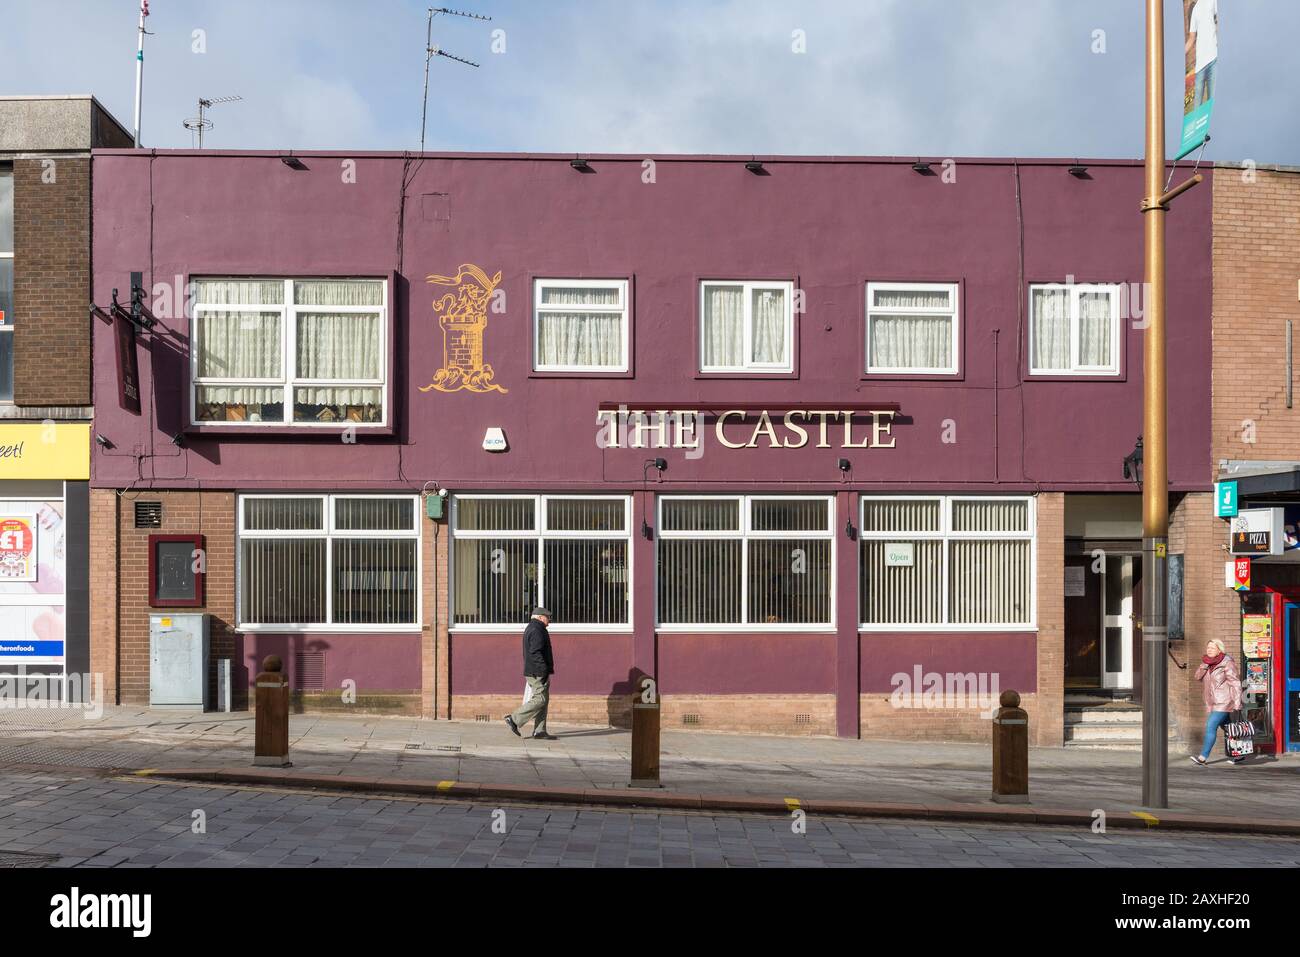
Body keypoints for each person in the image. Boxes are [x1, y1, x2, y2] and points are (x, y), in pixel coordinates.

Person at [504, 607, 557, 740]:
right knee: (540, 699)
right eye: (547, 617)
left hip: (537, 670)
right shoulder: (536, 630)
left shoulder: (535, 628)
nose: (549, 621)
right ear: (539, 617)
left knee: (543, 700)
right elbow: (535, 652)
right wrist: (543, 670)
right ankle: (514, 719)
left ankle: (540, 730)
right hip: (537, 671)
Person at [1191, 637, 1244, 765]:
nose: (1209, 650)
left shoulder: (1227, 663)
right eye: (1208, 647)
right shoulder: (1206, 662)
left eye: (1212, 648)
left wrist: (1237, 702)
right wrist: (1204, 665)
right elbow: (1197, 677)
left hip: (1224, 701)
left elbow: (1235, 683)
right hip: (1213, 702)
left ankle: (1203, 757)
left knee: (1211, 726)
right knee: (1228, 728)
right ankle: (1239, 754)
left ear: (1219, 650)